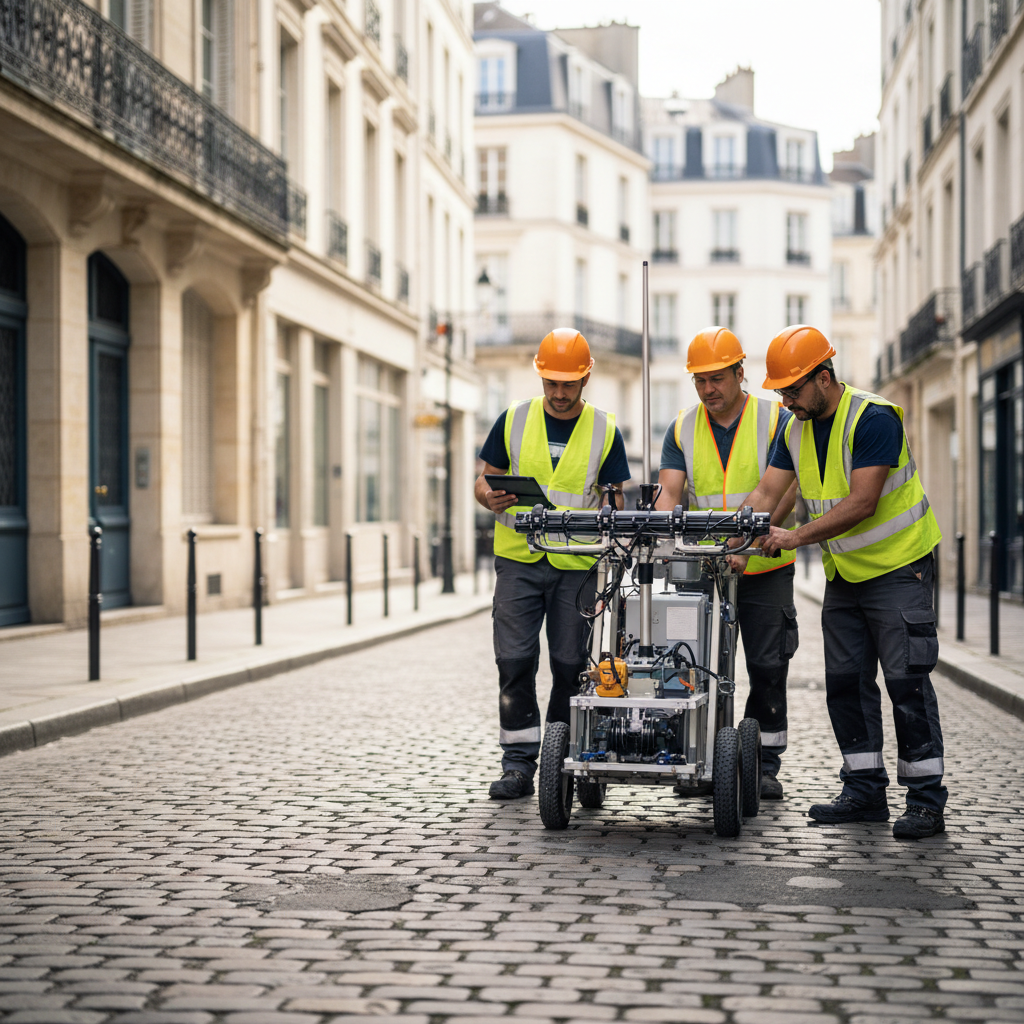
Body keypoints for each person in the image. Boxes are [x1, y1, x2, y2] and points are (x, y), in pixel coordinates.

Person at [742, 324, 947, 840]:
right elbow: (766, 493)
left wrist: (793, 537)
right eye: (780, 392)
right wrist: (730, 542)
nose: (785, 401)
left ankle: (926, 803)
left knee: (906, 683)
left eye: (792, 389)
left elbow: (863, 502)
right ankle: (864, 791)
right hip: (847, 576)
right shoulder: (794, 429)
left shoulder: (873, 418)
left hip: (899, 569)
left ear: (824, 378)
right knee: (846, 684)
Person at [475, 328, 630, 799]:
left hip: (576, 567)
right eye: (551, 383)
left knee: (569, 664)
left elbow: (616, 499)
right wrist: (489, 497)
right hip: (517, 562)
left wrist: (613, 515)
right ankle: (518, 765)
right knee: (514, 661)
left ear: (586, 378)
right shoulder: (513, 419)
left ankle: (562, 762)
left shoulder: (605, 429)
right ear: (540, 377)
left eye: (568, 384)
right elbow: (484, 481)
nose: (559, 393)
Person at [655, 327, 799, 799]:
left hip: (764, 566)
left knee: (767, 667)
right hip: (701, 571)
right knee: (691, 665)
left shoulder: (776, 419)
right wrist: (662, 541)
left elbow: (786, 488)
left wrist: (748, 543)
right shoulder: (681, 427)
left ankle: (763, 766)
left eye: (716, 378)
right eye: (699, 380)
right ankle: (697, 761)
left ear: (740, 373)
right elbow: (669, 494)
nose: (707, 389)